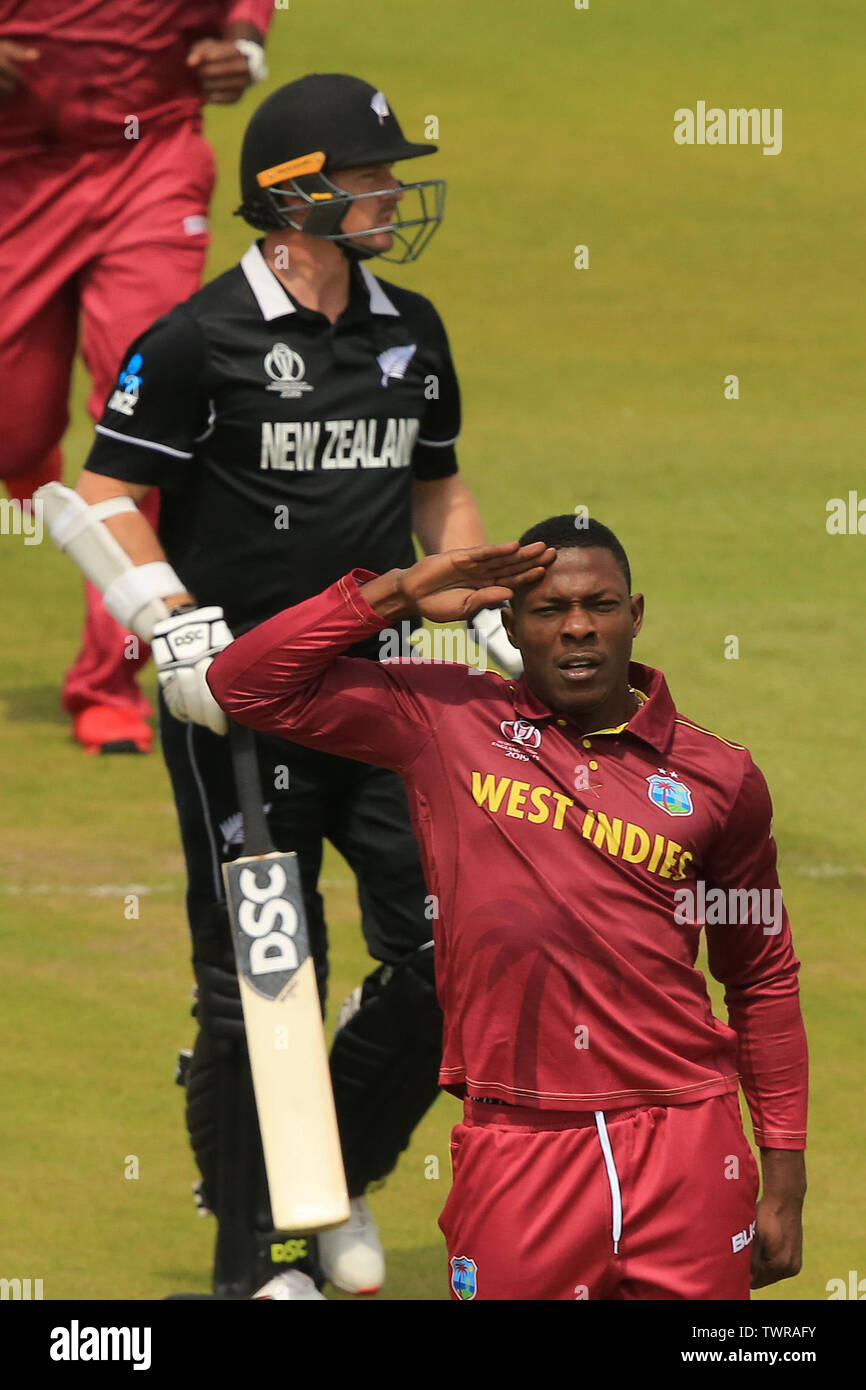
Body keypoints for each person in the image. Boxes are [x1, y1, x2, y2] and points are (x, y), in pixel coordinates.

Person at [39, 73, 521, 1299]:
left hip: (387, 689)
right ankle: (257, 1263)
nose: (392, 195)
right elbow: (98, 495)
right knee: (263, 975)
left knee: (445, 953)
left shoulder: (411, 325)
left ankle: (330, 1181)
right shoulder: (199, 338)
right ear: (292, 199)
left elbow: (435, 491)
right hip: (242, 703)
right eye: (369, 178)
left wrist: (485, 596)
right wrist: (175, 627)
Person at [206, 516, 809, 1301]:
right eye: (550, 610)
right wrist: (402, 592)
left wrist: (785, 1177)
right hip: (518, 1142)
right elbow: (244, 684)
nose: (579, 627)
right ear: (511, 626)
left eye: (601, 604)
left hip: (687, 1138)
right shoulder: (444, 718)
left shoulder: (722, 777)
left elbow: (762, 978)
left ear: (637, 615)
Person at [0, 0, 274, 754]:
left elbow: (243, 13)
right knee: (11, 430)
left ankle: (110, 679)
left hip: (150, 163)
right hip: (14, 166)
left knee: (143, 424)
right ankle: (40, 471)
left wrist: (246, 44)